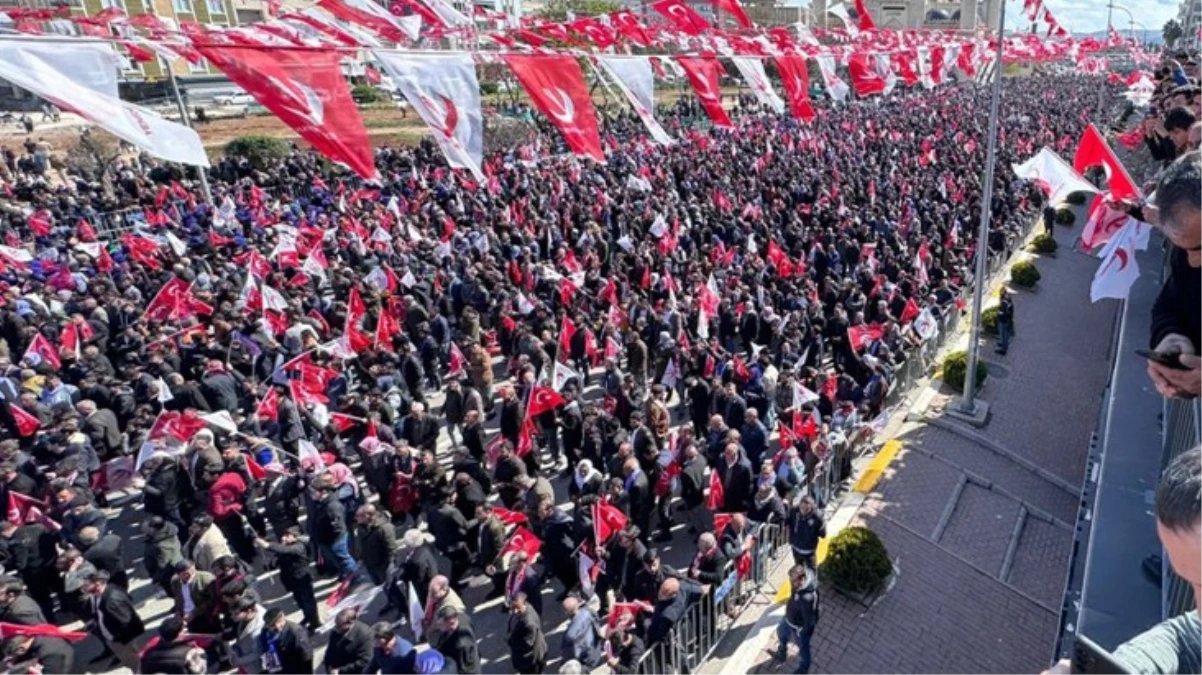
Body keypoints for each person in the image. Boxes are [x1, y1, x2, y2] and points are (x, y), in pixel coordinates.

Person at [1143, 151, 1202, 398]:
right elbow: (1168, 305)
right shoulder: (1188, 251)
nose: (1193, 261)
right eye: (1182, 247)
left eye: (1200, 248)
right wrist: (1171, 338)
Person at [255, 527, 321, 630]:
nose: (283, 538)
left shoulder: (298, 547)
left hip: (302, 580)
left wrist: (267, 545)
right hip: (291, 581)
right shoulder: (285, 547)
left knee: (308, 602)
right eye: (283, 535)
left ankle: (315, 622)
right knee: (300, 602)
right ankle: (307, 617)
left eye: (287, 536)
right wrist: (268, 564)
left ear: (296, 537)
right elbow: (275, 562)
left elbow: (284, 550)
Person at [84, 569, 145, 671]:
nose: (84, 587)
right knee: (129, 660)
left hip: (121, 640)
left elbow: (125, 621)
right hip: (113, 637)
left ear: (98, 584)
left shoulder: (112, 600)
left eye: (87, 585)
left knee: (134, 662)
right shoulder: (95, 596)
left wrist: (119, 640)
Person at [770, 565, 820, 675]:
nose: (791, 583)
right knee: (781, 632)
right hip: (788, 619)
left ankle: (803, 670)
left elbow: (810, 621)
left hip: (798, 628)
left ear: (802, 579)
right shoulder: (797, 585)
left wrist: (802, 632)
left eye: (793, 581)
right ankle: (782, 652)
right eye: (791, 580)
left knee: (803, 651)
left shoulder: (808, 597)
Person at [140, 616, 208, 675]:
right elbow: (200, 671)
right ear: (180, 633)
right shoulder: (189, 653)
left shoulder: (147, 653)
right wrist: (201, 653)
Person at [257, 607, 313, 673]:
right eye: (272, 625)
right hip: (275, 668)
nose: (277, 626)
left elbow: (306, 656)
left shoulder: (296, 632)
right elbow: (265, 649)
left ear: (284, 617)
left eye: (279, 622)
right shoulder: (266, 632)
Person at [506, 592, 547, 675]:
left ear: (524, 604)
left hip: (530, 659)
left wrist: (511, 641)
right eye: (513, 608)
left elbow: (528, 643)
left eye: (517, 608)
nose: (515, 611)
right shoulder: (525, 608)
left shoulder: (528, 623)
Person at [324, 608, 374, 675]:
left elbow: (364, 661)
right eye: (336, 624)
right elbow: (330, 651)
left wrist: (340, 671)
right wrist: (329, 667)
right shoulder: (336, 631)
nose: (336, 628)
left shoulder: (365, 635)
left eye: (339, 626)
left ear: (350, 623)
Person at [434, 604, 480, 675]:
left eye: (441, 624)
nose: (438, 627)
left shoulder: (460, 644)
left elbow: (463, 668)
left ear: (451, 623)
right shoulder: (462, 617)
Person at [561, 594, 602, 668]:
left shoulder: (570, 633)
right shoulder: (589, 612)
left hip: (584, 658)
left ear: (567, 613)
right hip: (595, 647)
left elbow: (568, 652)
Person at [787, 496, 826, 571]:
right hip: (796, 548)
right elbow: (788, 522)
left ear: (811, 507)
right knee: (799, 571)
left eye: (806, 509)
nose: (803, 511)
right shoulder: (794, 511)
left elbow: (823, 535)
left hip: (809, 551)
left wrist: (822, 526)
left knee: (811, 572)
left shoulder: (817, 517)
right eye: (802, 508)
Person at [995, 290, 1015, 356]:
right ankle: (1002, 343)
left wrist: (999, 312)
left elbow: (1004, 312)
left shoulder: (1005, 302)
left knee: (1004, 335)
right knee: (1004, 334)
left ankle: (1003, 350)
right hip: (1006, 320)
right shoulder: (1009, 302)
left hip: (1004, 320)